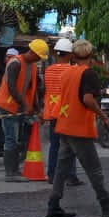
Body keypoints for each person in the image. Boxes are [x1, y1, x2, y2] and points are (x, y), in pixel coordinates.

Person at [47, 39, 109, 217]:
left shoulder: (67, 73)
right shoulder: (88, 74)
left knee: (61, 169)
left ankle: (53, 206)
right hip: (79, 128)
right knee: (94, 169)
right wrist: (103, 115)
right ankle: (107, 207)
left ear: (73, 55)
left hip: (65, 125)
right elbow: (88, 99)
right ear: (90, 55)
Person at [0, 39, 48, 182]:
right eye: (38, 57)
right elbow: (12, 87)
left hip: (19, 106)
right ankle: (10, 173)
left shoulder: (33, 66)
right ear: (33, 52)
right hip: (7, 105)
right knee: (11, 138)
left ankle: (16, 168)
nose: (39, 60)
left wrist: (38, 111)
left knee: (21, 135)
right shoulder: (15, 63)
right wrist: (26, 105)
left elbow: (33, 90)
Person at [40, 38, 82, 188]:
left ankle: (51, 175)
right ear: (70, 54)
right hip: (67, 112)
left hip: (52, 112)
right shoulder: (72, 70)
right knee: (70, 146)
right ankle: (71, 176)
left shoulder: (48, 70)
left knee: (55, 145)